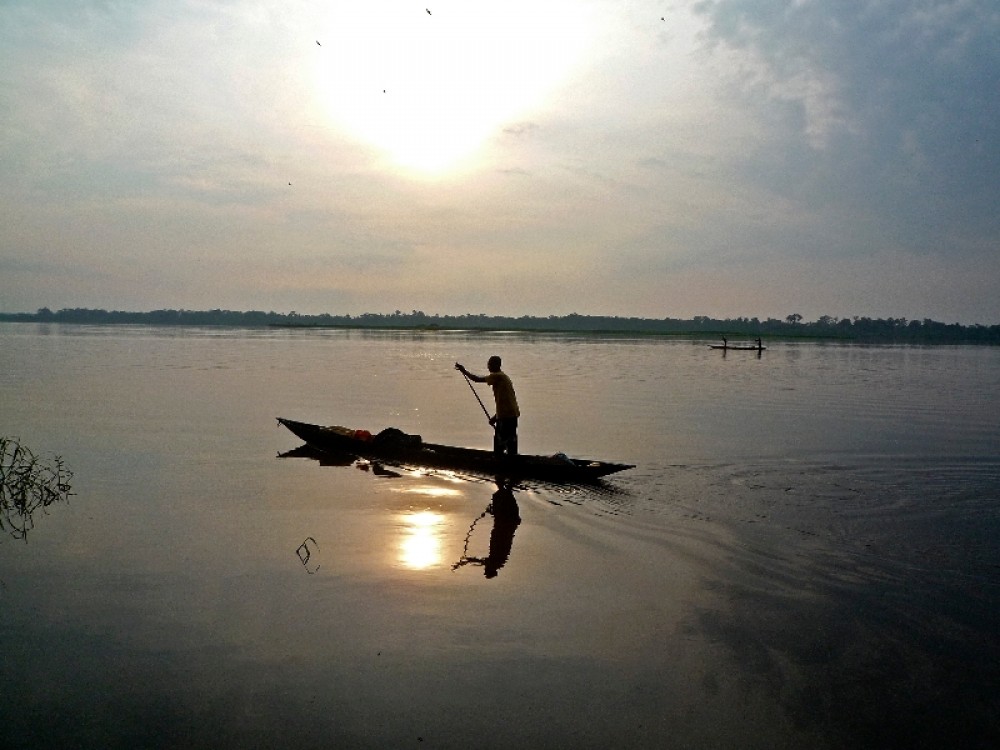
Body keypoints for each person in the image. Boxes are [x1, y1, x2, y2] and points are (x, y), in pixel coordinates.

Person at [455, 356, 519, 456]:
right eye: (488, 364)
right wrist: (495, 417)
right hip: (511, 414)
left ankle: (502, 464)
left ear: (497, 365)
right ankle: (511, 461)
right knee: (510, 441)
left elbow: (476, 379)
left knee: (500, 443)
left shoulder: (497, 376)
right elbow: (505, 402)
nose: (488, 366)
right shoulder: (504, 377)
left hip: (506, 416)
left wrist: (464, 371)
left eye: (490, 364)